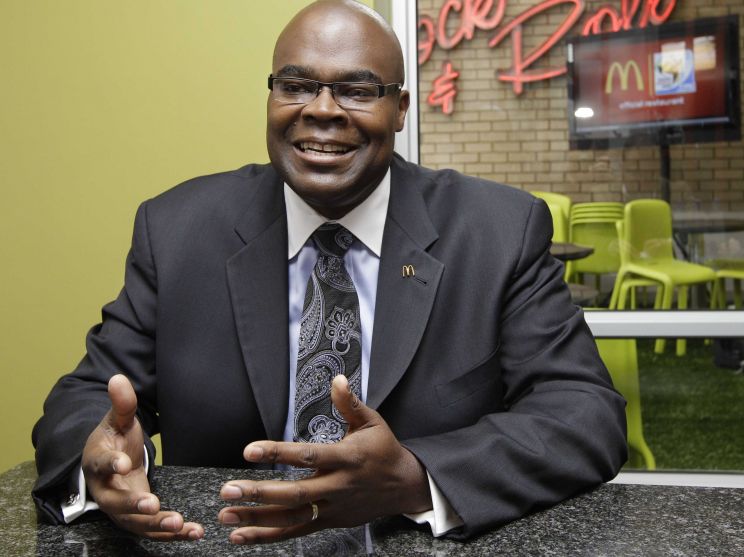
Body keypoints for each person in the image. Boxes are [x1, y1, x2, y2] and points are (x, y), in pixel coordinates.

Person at [32, 0, 627, 545]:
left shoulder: (498, 231)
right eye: (295, 86)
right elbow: (88, 397)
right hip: (221, 538)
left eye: (357, 90)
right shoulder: (177, 230)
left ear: (400, 109)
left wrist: (416, 477)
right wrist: (101, 459)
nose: (321, 110)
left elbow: (584, 413)